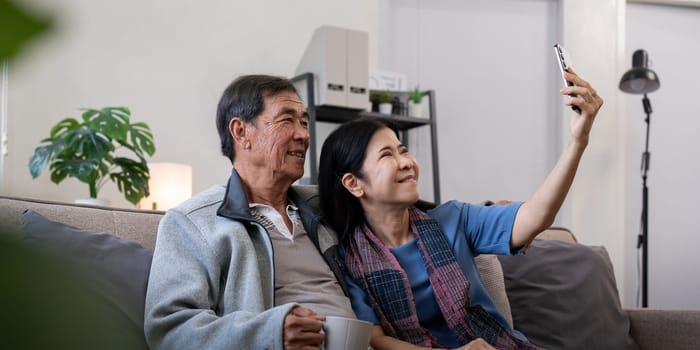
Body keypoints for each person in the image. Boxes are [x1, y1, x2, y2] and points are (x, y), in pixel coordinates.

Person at [318, 69, 604, 350]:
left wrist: (578, 142)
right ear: (354, 184)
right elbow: (377, 339)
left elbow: (535, 217)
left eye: (403, 150)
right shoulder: (350, 258)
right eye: (387, 155)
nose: (407, 162)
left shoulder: (453, 219)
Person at [144, 75, 356, 349]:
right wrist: (267, 333)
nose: (303, 134)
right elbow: (170, 329)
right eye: (287, 120)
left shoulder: (325, 204)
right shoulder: (194, 221)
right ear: (241, 132)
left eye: (304, 122)